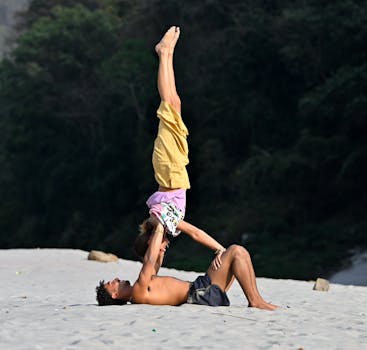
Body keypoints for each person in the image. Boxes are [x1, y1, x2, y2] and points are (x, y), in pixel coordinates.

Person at [136, 26, 225, 270]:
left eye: (162, 248)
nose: (165, 248)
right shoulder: (164, 221)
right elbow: (190, 232)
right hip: (173, 167)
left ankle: (164, 53)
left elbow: (194, 234)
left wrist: (220, 249)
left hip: (169, 167)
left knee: (168, 104)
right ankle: (168, 54)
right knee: (174, 103)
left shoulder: (161, 220)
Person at [96, 222, 278, 310]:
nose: (117, 279)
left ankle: (257, 299)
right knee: (236, 251)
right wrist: (160, 222)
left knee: (239, 254)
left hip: (200, 288)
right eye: (113, 283)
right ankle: (255, 301)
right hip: (199, 293)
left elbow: (156, 256)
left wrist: (160, 228)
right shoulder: (138, 290)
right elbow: (150, 258)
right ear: (115, 294)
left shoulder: (145, 285)